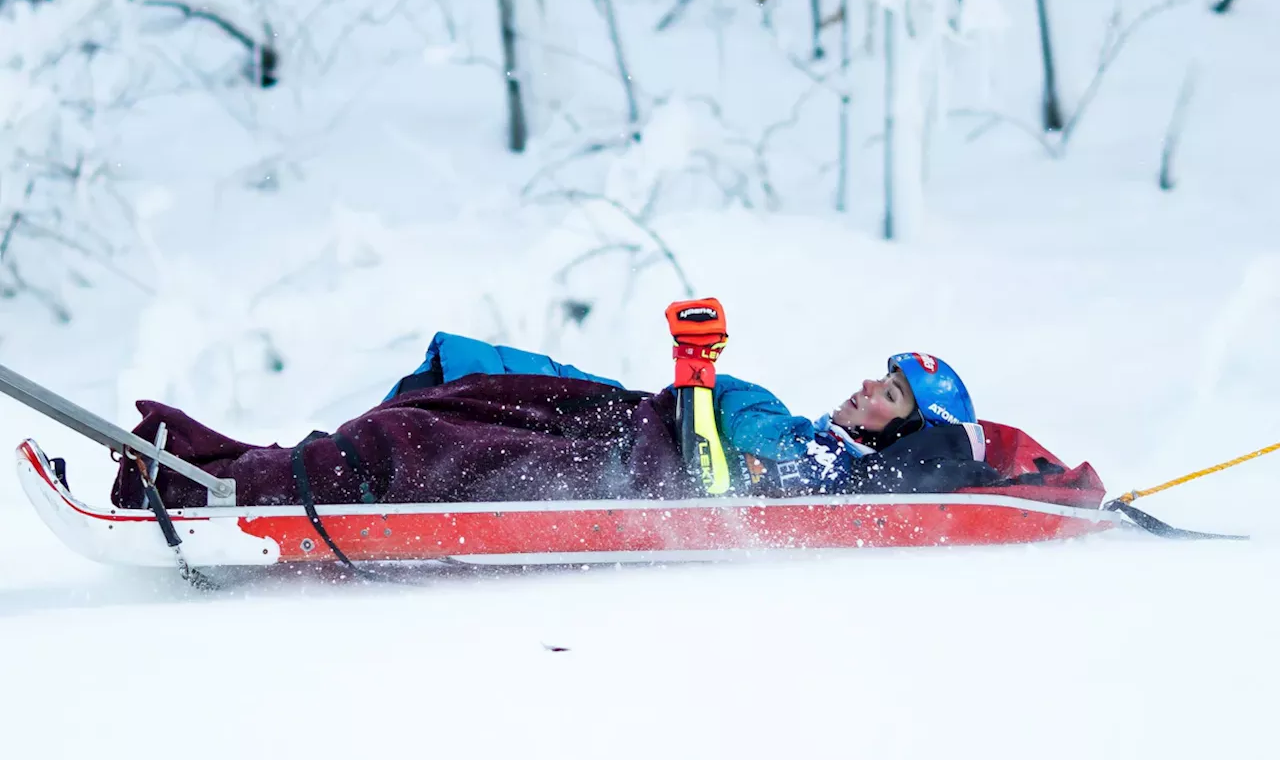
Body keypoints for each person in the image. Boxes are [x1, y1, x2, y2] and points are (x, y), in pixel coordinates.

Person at [112, 331, 998, 510]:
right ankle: (213, 458)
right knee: (443, 396)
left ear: (901, 434)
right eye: (879, 376)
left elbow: (726, 478)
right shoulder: (814, 436)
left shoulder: (831, 477)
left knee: (405, 445)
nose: (866, 389)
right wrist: (699, 388)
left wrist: (704, 381)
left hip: (619, 469)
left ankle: (206, 489)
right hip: (623, 420)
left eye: (891, 396)